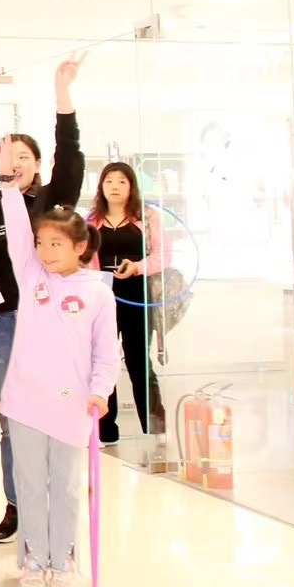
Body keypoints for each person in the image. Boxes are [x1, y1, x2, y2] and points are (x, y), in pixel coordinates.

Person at [0, 55, 85, 544]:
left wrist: (63, 95)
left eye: (24, 157)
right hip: (4, 329)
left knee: (54, 421)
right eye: (7, 157)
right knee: (13, 424)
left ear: (37, 164)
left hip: (54, 325)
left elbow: (70, 155)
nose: (15, 164)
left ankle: (55, 509)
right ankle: (17, 505)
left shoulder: (53, 203)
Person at [0, 138, 118, 587]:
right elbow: (16, 231)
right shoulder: (32, 277)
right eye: (41, 243)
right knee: (28, 483)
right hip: (25, 400)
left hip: (72, 404)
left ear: (81, 247)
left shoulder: (97, 291)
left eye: (56, 244)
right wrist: (10, 184)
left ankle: (64, 561)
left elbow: (106, 354)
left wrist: (100, 391)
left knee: (65, 487)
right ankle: (33, 560)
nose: (45, 252)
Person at [88, 161, 168, 442]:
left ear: (132, 186)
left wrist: (137, 267)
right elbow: (82, 258)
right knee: (103, 361)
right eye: (109, 180)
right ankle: (106, 431)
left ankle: (155, 428)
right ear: (101, 186)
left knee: (138, 360)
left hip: (137, 295)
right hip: (102, 296)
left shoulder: (147, 217)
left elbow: (163, 256)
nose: (115, 186)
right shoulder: (91, 221)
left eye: (122, 181)